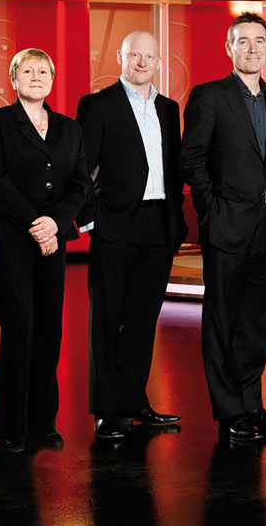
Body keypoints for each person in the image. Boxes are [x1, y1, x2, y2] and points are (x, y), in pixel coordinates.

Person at [181, 12, 266, 443]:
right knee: (222, 321)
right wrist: (212, 209)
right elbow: (190, 160)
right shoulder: (209, 96)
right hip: (228, 226)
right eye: (243, 41)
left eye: (260, 40)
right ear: (228, 48)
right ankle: (229, 412)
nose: (252, 48)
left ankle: (252, 405)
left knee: (256, 321)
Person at [76, 30, 188, 442]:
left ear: (159, 62)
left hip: (159, 226)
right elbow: (79, 167)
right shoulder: (98, 105)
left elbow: (173, 169)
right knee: (107, 320)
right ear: (121, 57)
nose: (142, 62)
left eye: (150, 56)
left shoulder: (169, 108)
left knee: (142, 321)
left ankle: (133, 401)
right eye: (134, 55)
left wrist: (175, 218)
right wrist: (91, 220)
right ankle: (106, 410)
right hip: (115, 226)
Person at [0, 49, 90, 452]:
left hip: (55, 237)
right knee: (18, 326)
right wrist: (36, 226)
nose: (36, 76)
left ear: (52, 80)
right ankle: (12, 426)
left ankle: (43, 422)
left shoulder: (69, 127)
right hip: (12, 237)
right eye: (28, 70)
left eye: (44, 71)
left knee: (49, 330)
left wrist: (56, 223)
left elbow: (80, 183)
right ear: (14, 78)